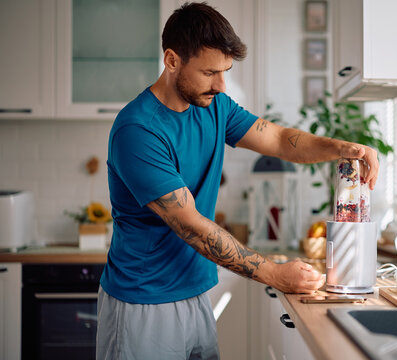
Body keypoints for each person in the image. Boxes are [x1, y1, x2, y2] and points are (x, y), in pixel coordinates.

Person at [96, 2, 379, 359]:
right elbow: (192, 227)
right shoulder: (138, 130)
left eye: (226, 71)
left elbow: (277, 140)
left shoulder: (215, 106)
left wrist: (343, 148)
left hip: (195, 290)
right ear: (171, 61)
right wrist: (275, 275)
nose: (221, 84)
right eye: (210, 72)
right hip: (143, 304)